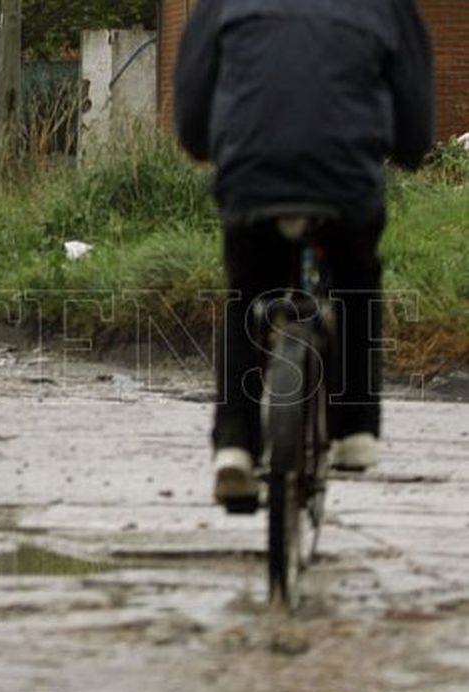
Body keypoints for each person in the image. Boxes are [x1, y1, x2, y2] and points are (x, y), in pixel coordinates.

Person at [174, 0, 435, 504]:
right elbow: (415, 106)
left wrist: (204, 144)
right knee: (356, 278)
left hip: (252, 172)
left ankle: (233, 445)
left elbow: (191, 98)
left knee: (248, 293)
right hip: (344, 178)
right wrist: (407, 150)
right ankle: (355, 429)